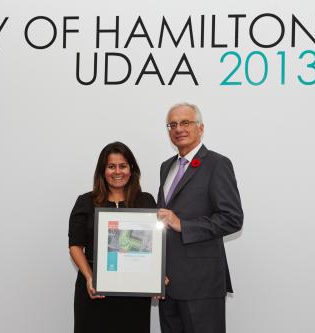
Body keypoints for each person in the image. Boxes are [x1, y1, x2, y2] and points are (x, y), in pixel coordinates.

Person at [157, 103, 243, 333]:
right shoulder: (166, 167)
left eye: (185, 122)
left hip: (201, 284)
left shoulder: (217, 164)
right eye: (172, 124)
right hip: (167, 284)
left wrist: (183, 225)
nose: (178, 129)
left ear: (200, 127)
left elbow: (232, 218)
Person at [68, 141, 156, 333]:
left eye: (123, 166)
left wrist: (156, 276)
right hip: (94, 289)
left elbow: (154, 246)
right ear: (102, 170)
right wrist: (90, 278)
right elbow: (75, 245)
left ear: (131, 169)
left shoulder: (145, 201)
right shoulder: (85, 202)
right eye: (111, 166)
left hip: (134, 291)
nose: (118, 171)